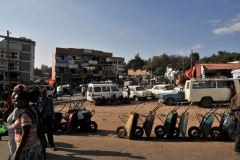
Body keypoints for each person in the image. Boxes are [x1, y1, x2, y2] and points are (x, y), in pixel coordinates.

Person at [11, 91, 45, 160]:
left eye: (16, 100)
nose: (14, 102)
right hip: (35, 145)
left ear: (23, 100)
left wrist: (18, 153)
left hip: (27, 150)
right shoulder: (31, 109)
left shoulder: (25, 114)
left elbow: (25, 133)